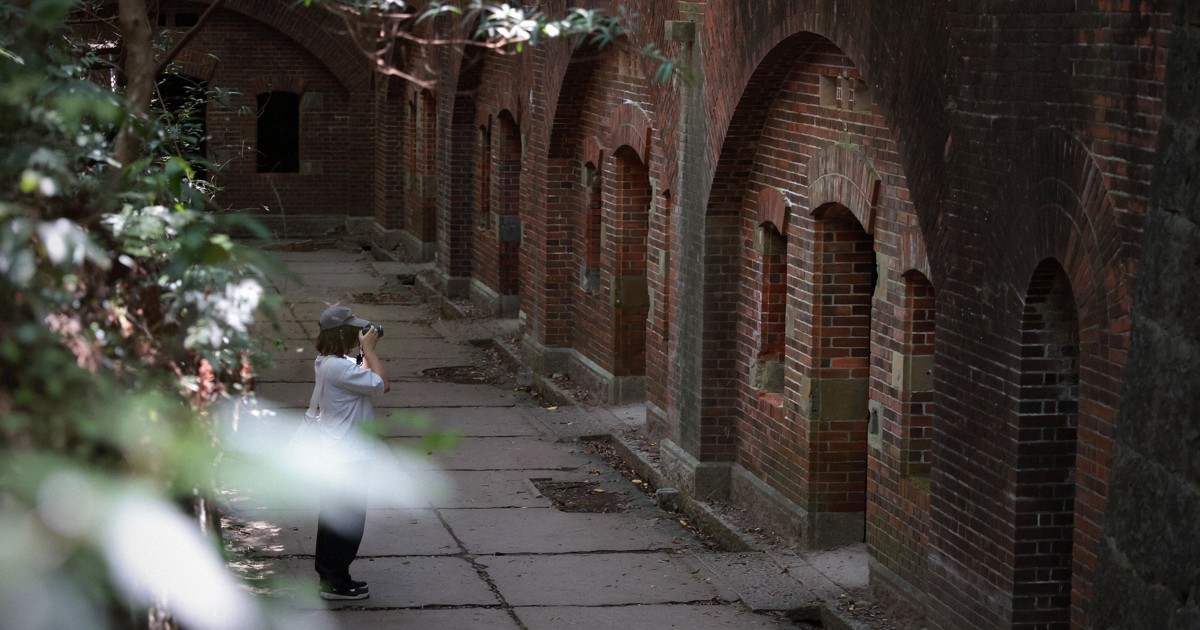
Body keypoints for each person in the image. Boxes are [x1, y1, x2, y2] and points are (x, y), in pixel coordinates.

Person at [310, 305, 390, 601]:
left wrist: (363, 353)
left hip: (335, 451)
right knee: (348, 523)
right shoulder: (340, 368)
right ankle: (336, 583)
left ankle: (330, 577)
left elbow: (364, 379)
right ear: (342, 334)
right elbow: (383, 384)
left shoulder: (325, 362)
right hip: (349, 456)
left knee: (333, 519)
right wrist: (369, 350)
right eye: (354, 331)